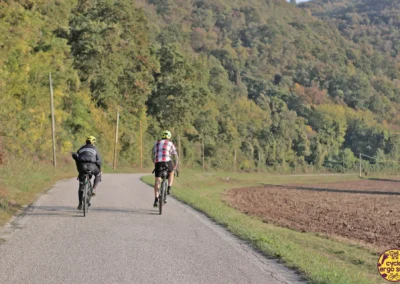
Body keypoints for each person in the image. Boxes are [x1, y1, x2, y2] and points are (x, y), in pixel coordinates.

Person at [72, 135, 102, 210]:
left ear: (86, 141)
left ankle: (80, 204)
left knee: (81, 186)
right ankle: (94, 188)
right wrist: (99, 169)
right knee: (98, 174)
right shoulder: (95, 149)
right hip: (92, 166)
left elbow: (76, 157)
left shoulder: (81, 148)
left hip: (82, 167)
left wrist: (79, 171)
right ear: (93, 142)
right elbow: (99, 161)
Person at [152, 130, 179, 207]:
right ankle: (169, 187)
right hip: (167, 161)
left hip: (158, 162)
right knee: (171, 172)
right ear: (169, 137)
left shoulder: (156, 142)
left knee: (157, 181)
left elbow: (153, 154)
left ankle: (156, 200)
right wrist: (176, 165)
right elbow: (175, 155)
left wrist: (154, 162)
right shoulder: (170, 143)